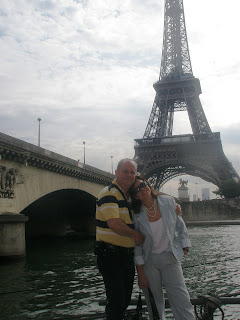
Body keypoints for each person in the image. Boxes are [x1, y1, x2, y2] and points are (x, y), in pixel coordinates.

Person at [130, 175, 195, 320]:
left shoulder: (168, 201)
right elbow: (138, 245)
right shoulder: (136, 214)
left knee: (181, 299)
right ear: (134, 196)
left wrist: (185, 245)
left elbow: (180, 225)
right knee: (154, 304)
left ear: (148, 184)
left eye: (143, 185)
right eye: (136, 190)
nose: (141, 189)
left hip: (170, 257)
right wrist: (140, 273)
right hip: (149, 262)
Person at [95, 158, 144, 320]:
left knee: (123, 300)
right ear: (116, 173)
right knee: (117, 301)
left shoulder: (129, 197)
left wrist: (174, 205)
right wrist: (135, 234)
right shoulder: (109, 193)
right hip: (111, 255)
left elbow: (152, 198)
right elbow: (114, 223)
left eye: (132, 172)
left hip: (126, 255)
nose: (129, 175)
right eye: (125, 171)